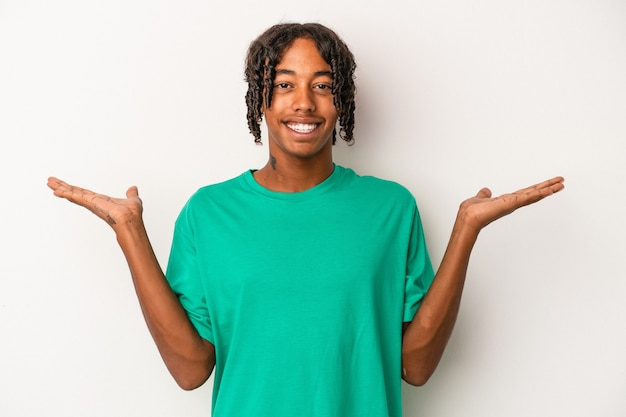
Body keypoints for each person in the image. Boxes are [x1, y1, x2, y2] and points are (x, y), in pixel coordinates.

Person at [47, 22, 564, 417]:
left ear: (342, 101)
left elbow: (417, 366)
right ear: (261, 101)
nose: (304, 103)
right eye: (285, 84)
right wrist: (130, 234)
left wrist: (466, 232)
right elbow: (190, 369)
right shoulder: (208, 212)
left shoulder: (390, 209)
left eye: (322, 84)